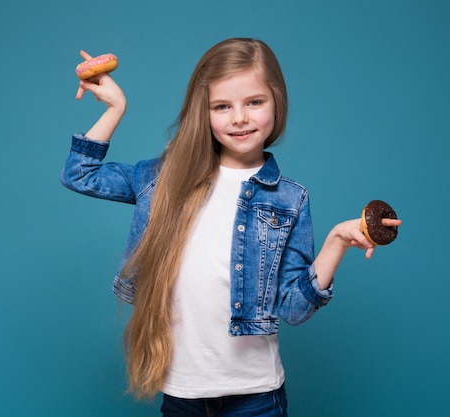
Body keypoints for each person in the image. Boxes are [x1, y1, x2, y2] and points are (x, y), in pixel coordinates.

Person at [61, 38, 401, 417]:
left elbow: (294, 310)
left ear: (277, 103)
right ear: (202, 113)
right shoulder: (161, 180)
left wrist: (336, 242)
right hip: (181, 396)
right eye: (222, 106)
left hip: (257, 399)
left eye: (254, 102)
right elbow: (80, 174)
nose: (239, 118)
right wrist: (115, 108)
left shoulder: (290, 200)